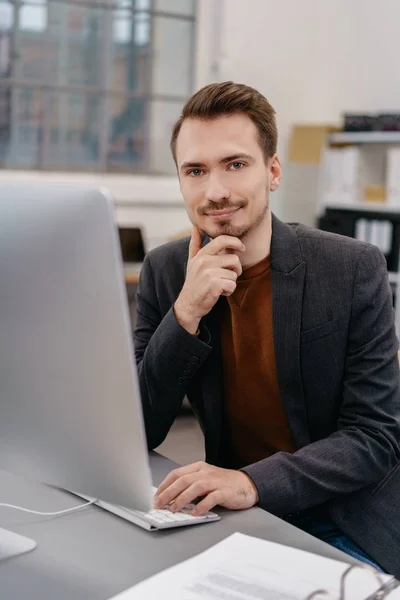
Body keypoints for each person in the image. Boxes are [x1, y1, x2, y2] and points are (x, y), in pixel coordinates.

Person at [134, 81, 400, 576]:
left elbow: (375, 436)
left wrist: (252, 482)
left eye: (236, 164)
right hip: (236, 515)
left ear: (272, 171)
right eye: (195, 170)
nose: (215, 191)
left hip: (348, 516)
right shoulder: (166, 271)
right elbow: (139, 428)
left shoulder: (350, 267)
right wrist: (186, 312)